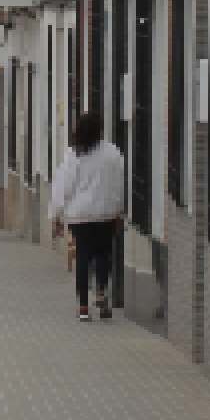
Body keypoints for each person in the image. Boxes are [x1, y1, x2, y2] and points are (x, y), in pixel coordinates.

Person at [49, 112, 127, 321]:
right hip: (105, 214)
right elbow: (119, 184)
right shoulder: (113, 153)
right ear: (100, 129)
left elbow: (63, 187)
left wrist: (56, 214)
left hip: (80, 216)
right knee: (104, 254)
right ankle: (101, 292)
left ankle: (83, 307)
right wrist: (119, 210)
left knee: (83, 257)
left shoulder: (73, 155)